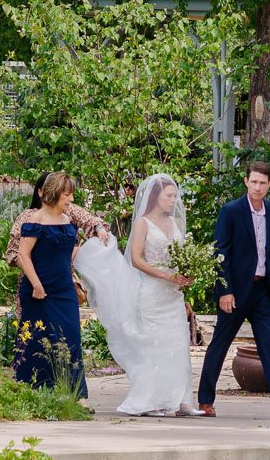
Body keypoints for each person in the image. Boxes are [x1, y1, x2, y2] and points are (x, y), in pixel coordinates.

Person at [76, 173, 200, 416]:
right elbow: (136, 259)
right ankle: (151, 401)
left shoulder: (174, 224)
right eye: (169, 196)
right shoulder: (143, 223)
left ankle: (182, 400)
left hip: (173, 294)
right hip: (152, 293)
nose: (174, 200)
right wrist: (165, 276)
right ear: (156, 197)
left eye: (175, 196)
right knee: (154, 346)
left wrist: (188, 272)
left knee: (178, 344)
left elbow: (181, 256)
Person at [197, 160, 270, 419]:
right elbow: (219, 252)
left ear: (269, 185)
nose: (257, 187)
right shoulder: (231, 211)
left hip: (260, 292)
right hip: (234, 293)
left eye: (262, 183)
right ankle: (204, 400)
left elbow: (268, 250)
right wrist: (224, 290)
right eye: (253, 181)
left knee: (269, 346)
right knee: (220, 345)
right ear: (246, 181)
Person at [13, 169, 87, 396]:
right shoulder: (35, 220)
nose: (71, 199)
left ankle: (75, 394)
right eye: (67, 195)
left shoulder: (67, 221)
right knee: (39, 340)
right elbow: (22, 255)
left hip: (64, 288)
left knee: (71, 336)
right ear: (55, 194)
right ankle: (33, 391)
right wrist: (36, 285)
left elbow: (67, 253)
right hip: (39, 290)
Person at [5, 175, 109, 264]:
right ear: (40, 192)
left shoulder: (68, 210)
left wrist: (99, 228)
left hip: (65, 277)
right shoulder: (28, 217)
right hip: (36, 278)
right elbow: (13, 253)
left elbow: (88, 219)